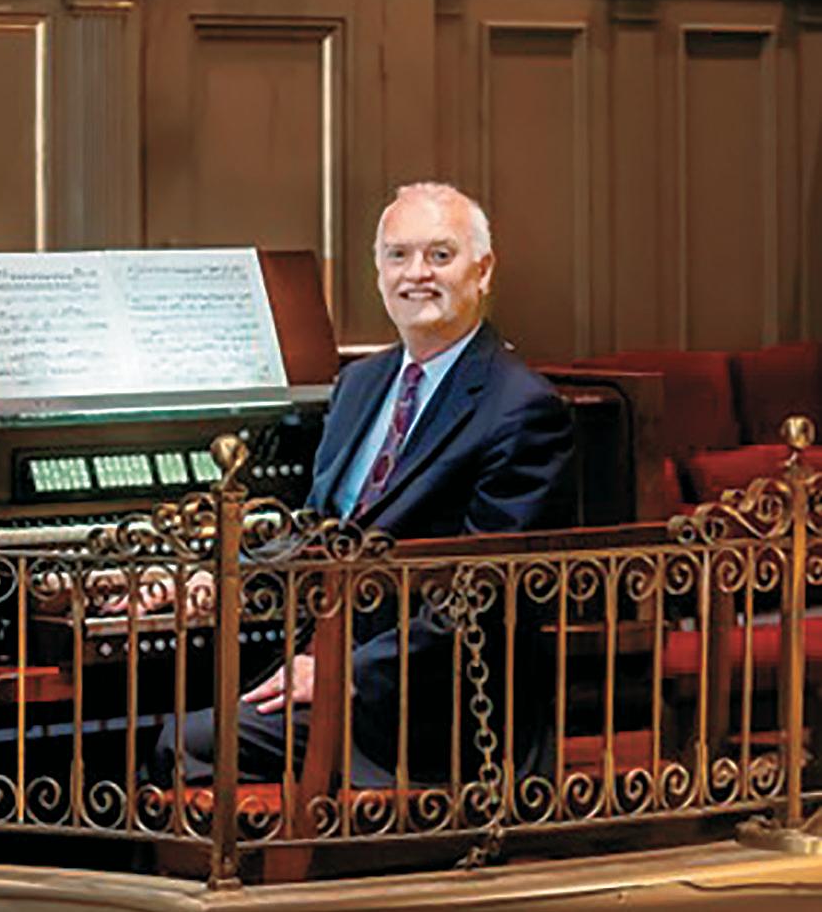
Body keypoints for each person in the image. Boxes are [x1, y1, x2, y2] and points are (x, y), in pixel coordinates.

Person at [152, 181, 575, 786]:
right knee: (153, 709)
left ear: (482, 271)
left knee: (184, 742)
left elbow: (486, 594)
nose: (416, 274)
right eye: (398, 256)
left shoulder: (522, 407)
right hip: (327, 664)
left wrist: (343, 673)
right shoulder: (360, 384)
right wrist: (214, 576)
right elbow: (317, 530)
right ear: (378, 274)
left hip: (428, 707)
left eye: (440, 255)